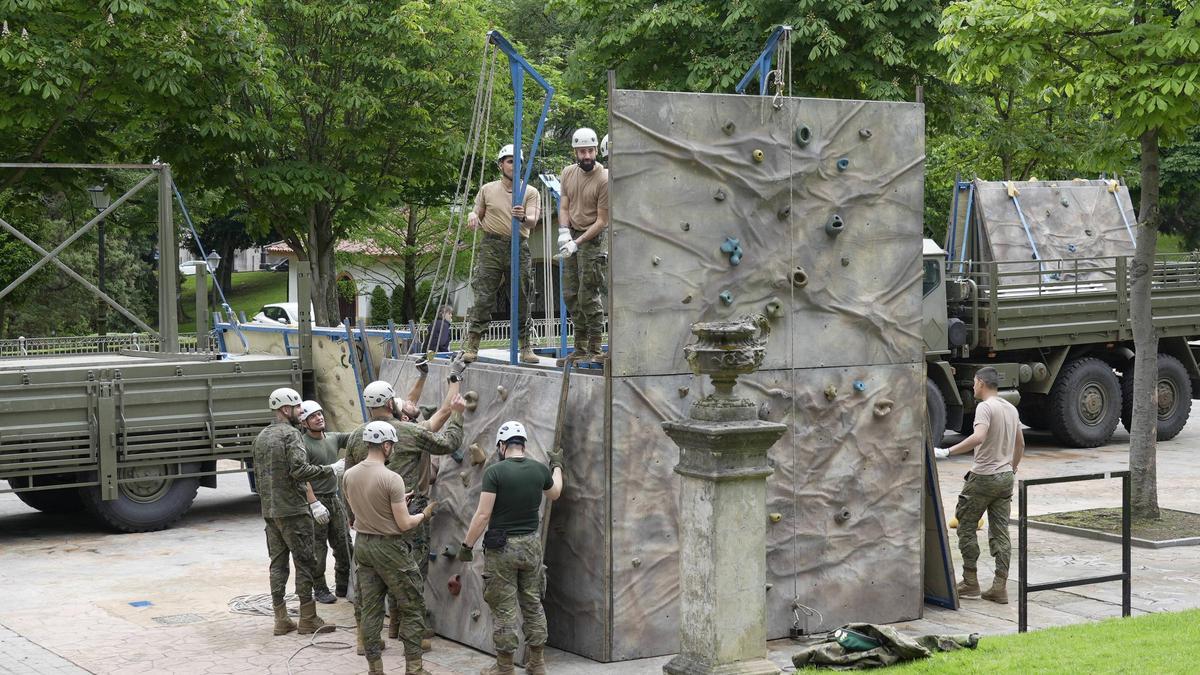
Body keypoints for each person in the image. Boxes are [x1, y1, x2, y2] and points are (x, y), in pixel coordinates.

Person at [343, 371, 467, 653]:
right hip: (410, 514)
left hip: (369, 519)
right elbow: (448, 443)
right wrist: (458, 415)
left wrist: (351, 513)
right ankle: (413, 634)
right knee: (412, 574)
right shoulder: (408, 432)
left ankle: (366, 637)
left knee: (370, 581)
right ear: (390, 404)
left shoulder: (355, 437)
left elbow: (347, 479)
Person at [458, 421, 564, 675]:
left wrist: (467, 545)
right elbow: (556, 493)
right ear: (523, 445)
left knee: (504, 608)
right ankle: (537, 664)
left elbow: (483, 515)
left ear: (502, 446)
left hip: (501, 548)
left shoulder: (495, 473)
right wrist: (557, 465)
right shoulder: (539, 469)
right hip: (531, 545)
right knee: (533, 602)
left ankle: (504, 667)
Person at [343, 420, 438, 675]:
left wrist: (396, 501)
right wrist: (425, 515)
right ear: (386, 445)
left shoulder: (349, 475)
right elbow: (405, 523)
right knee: (412, 604)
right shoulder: (392, 478)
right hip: (390, 548)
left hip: (363, 545)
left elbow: (357, 510)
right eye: (392, 446)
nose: (393, 450)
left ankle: (375, 668)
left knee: (371, 608)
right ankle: (414, 668)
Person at [251, 387, 340, 636]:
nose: (302, 413)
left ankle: (281, 619)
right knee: (305, 563)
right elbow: (300, 470)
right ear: (285, 409)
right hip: (294, 511)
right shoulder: (291, 435)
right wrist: (330, 469)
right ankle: (308, 618)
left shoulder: (261, 437)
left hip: (270, 512)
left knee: (277, 564)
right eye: (298, 408)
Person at [935, 366, 1024, 604]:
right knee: (1000, 531)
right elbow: (1020, 445)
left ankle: (970, 581)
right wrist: (1011, 468)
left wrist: (947, 451)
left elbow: (979, 436)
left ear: (981, 383)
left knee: (965, 526)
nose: (973, 386)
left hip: (983, 477)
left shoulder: (985, 407)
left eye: (974, 382)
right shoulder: (1011, 409)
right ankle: (999, 586)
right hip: (1005, 477)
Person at [462, 144, 542, 364]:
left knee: (523, 295)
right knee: (483, 295)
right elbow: (476, 212)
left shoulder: (530, 192)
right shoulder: (487, 189)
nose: (513, 165)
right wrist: (472, 215)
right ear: (501, 165)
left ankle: (526, 346)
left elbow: (534, 220)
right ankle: (473, 344)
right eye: (509, 161)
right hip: (491, 246)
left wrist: (523, 217)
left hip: (519, 245)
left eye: (517, 162)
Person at [557, 127, 609, 364]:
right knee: (570, 293)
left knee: (588, 293)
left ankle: (595, 346)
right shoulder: (568, 173)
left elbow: (602, 221)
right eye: (581, 151)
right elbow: (565, 207)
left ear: (596, 150)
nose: (586, 156)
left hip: (593, 238)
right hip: (573, 234)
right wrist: (563, 232)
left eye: (590, 150)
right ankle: (579, 346)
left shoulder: (604, 178)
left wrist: (576, 243)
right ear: (575, 152)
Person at [298, 400, 352, 604]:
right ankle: (319, 588)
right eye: (313, 416)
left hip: (333, 498)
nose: (319, 418)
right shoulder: (303, 444)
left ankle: (343, 585)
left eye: (320, 414)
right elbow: (302, 477)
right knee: (318, 549)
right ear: (304, 422)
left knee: (344, 544)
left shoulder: (332, 438)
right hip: (316, 501)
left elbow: (355, 438)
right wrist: (313, 504)